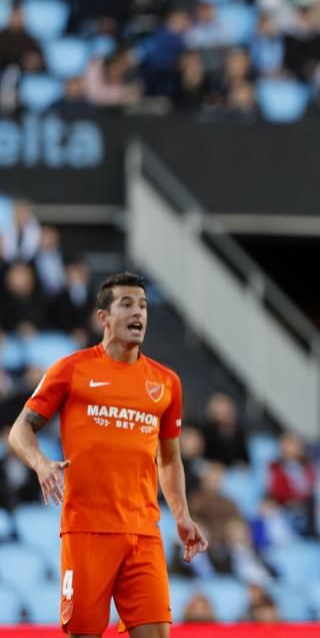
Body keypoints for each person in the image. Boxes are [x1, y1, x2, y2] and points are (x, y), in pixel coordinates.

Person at [6, 272, 208, 637]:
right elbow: (20, 430)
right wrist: (41, 463)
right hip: (87, 530)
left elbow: (169, 458)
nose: (139, 313)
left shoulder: (166, 383)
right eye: (127, 304)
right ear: (103, 317)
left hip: (143, 532)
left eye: (143, 306)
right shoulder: (72, 370)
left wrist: (181, 514)